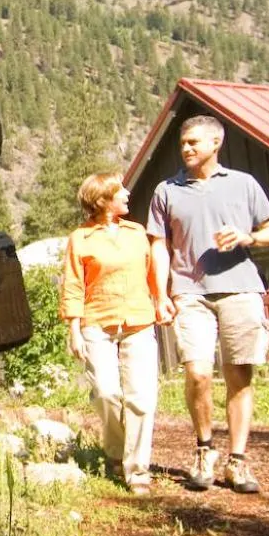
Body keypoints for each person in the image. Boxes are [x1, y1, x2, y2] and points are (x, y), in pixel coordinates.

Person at [148, 115, 269, 494]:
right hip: (190, 293)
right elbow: (159, 246)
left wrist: (247, 236)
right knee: (198, 373)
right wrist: (161, 294)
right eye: (183, 143)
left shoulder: (244, 184)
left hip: (241, 289)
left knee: (240, 377)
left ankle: (237, 462)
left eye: (194, 142)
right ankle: (204, 449)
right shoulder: (167, 190)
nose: (186, 148)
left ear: (215, 144)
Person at [61, 172, 162, 496]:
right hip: (97, 323)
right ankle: (117, 452)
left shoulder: (136, 234)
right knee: (106, 392)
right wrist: (73, 330)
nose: (128, 194)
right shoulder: (81, 239)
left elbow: (151, 273)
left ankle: (137, 471)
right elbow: (73, 285)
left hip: (138, 320)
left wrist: (161, 300)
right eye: (121, 191)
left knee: (141, 398)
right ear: (103, 200)